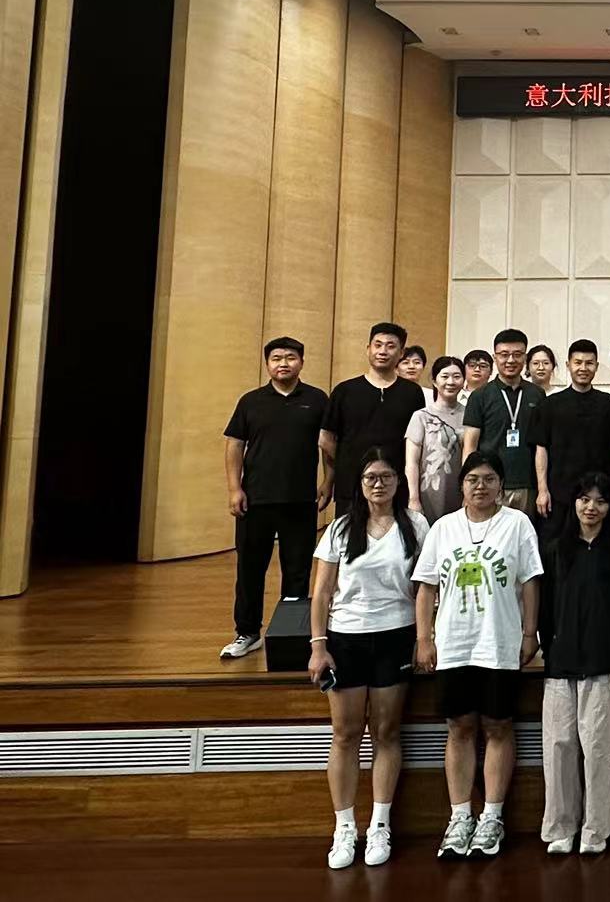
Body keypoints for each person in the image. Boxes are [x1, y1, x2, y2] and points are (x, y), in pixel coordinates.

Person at [413, 451, 544, 858]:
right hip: (454, 645)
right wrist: (424, 639)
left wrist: (529, 634)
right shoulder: (443, 528)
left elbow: (530, 582)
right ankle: (459, 817)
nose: (480, 486)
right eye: (473, 479)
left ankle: (492, 817)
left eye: (489, 479)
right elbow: (426, 588)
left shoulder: (517, 524)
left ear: (501, 485)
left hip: (499, 644)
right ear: (461, 485)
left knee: (499, 726)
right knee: (459, 728)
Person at [308, 449, 428, 869]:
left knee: (386, 731)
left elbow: (426, 586)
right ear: (360, 484)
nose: (379, 484)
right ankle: (344, 827)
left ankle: (379, 824)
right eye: (370, 477)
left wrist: (424, 638)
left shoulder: (416, 525)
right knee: (345, 734)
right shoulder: (341, 528)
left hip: (396, 637)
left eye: (386, 476)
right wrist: (318, 646)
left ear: (399, 482)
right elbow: (322, 593)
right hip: (346, 639)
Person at [541, 472, 610, 856]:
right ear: (574, 503)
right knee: (559, 747)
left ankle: (595, 831)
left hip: (605, 662)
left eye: (600, 500)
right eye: (584, 499)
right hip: (560, 662)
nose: (591, 507)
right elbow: (545, 608)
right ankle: (561, 827)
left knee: (599, 750)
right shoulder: (555, 550)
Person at [221, 336, 328, 660]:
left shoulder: (317, 399)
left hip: (300, 501)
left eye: (290, 357)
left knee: (297, 571)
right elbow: (234, 445)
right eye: (277, 358)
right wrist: (234, 489)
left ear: (302, 362)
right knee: (250, 569)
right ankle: (247, 632)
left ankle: (290, 635)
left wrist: (329, 481)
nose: (283, 363)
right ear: (267, 364)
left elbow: (329, 444)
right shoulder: (251, 401)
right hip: (256, 500)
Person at [322, 323, 426, 517]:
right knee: (351, 535)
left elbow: (417, 442)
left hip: (397, 486)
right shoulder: (344, 390)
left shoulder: (413, 393)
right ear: (368, 349)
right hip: (351, 487)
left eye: (390, 346)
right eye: (377, 345)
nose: (383, 351)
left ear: (401, 352)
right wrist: (347, 462)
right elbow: (326, 439)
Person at [533, 339, 610, 530]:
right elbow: (541, 449)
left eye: (589, 363)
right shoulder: (550, 405)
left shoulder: (608, 404)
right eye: (578, 362)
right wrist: (542, 490)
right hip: (559, 494)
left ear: (596, 366)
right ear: (568, 365)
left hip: (599, 495)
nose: (583, 368)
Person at [462, 329, 547, 516]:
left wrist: (543, 488)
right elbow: (470, 447)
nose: (510, 360)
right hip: (489, 485)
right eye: (504, 354)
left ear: (525, 357)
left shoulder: (537, 394)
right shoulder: (480, 396)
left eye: (517, 354)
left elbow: (541, 445)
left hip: (527, 483)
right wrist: (468, 488)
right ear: (495, 357)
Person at [406, 356, 466, 523]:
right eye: (445, 376)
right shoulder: (421, 416)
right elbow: (411, 462)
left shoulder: (470, 415)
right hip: (429, 492)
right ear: (434, 380)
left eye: (456, 376)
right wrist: (413, 498)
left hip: (461, 492)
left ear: (463, 381)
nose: (451, 382)